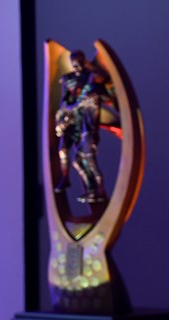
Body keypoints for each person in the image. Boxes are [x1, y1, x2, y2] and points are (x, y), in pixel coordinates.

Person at [54, 49, 108, 204]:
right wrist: (65, 115)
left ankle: (98, 191)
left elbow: (94, 93)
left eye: (79, 63)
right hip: (77, 122)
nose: (76, 67)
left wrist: (80, 103)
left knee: (89, 162)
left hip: (87, 128)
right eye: (74, 64)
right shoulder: (70, 81)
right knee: (71, 156)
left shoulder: (91, 84)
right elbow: (66, 102)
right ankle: (84, 187)